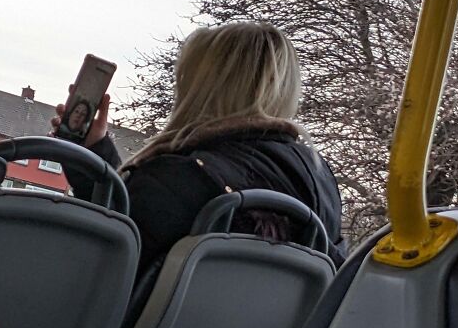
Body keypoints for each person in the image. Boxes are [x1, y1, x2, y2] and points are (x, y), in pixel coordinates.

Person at [52, 21, 347, 275]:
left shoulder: (178, 178)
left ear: (200, 87)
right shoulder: (321, 186)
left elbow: (101, 262)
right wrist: (96, 151)